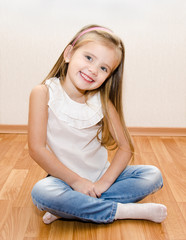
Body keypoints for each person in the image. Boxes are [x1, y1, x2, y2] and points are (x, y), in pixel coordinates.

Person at [28, 24, 167, 224]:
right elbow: (36, 149)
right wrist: (76, 181)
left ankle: (72, 208)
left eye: (103, 68)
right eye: (88, 58)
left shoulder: (102, 101)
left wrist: (103, 183)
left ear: (109, 76)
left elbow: (125, 147)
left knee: (153, 175)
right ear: (68, 54)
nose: (93, 70)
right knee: (42, 192)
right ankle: (122, 211)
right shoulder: (43, 93)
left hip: (102, 178)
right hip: (64, 181)